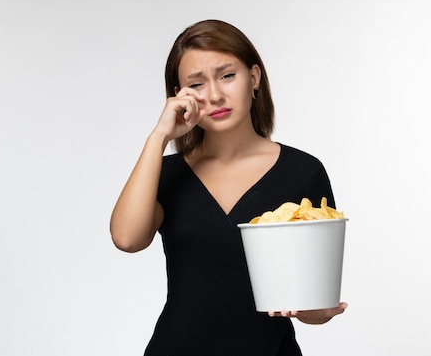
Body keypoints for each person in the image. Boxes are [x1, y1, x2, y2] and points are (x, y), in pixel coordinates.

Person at [110, 19, 347, 355]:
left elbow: (313, 302)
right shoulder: (166, 173)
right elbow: (127, 239)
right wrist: (158, 137)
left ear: (254, 77)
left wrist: (317, 312)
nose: (215, 95)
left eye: (227, 75)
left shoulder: (303, 172)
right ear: (180, 96)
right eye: (197, 84)